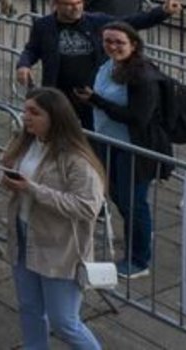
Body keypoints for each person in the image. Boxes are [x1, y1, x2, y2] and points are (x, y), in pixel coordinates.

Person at [0, 88, 105, 350]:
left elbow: (87, 206)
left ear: (55, 117)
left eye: (34, 112)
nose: (26, 116)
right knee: (29, 307)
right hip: (23, 235)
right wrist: (4, 177)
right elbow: (5, 167)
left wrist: (32, 189)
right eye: (25, 110)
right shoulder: (25, 141)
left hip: (60, 248)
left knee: (64, 322)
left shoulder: (76, 160)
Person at [73, 21, 168, 280]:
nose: (113, 46)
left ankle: (139, 259)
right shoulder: (108, 65)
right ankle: (139, 235)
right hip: (108, 143)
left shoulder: (142, 76)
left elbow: (137, 118)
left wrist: (96, 100)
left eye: (119, 42)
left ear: (133, 44)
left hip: (133, 148)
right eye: (108, 41)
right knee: (119, 196)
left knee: (133, 201)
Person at [16, 0, 180, 129]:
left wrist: (162, 12)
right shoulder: (43, 25)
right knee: (58, 134)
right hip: (58, 93)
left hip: (92, 94)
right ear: (55, 4)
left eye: (79, 2)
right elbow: (32, 49)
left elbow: (130, 22)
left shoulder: (96, 21)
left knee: (93, 137)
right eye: (69, 4)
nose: (76, 7)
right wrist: (24, 64)